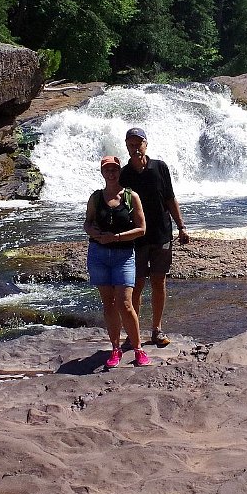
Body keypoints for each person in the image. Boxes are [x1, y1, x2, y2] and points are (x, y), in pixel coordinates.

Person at [119, 127, 190, 348]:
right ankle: (134, 334)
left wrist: (181, 226)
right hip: (137, 237)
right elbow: (119, 205)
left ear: (145, 144)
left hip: (161, 233)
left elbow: (170, 198)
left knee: (159, 282)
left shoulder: (160, 167)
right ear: (127, 147)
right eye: (130, 145)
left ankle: (157, 330)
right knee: (137, 284)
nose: (135, 148)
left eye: (138, 144)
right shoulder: (124, 174)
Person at [84, 155, 150, 368]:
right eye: (107, 170)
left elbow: (142, 229)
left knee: (125, 303)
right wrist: (93, 231)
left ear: (119, 171)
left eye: (114, 169)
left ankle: (138, 349)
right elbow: (87, 223)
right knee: (109, 304)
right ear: (102, 172)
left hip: (123, 256)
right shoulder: (95, 197)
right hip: (99, 255)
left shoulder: (131, 197)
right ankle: (115, 349)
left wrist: (117, 237)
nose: (111, 173)